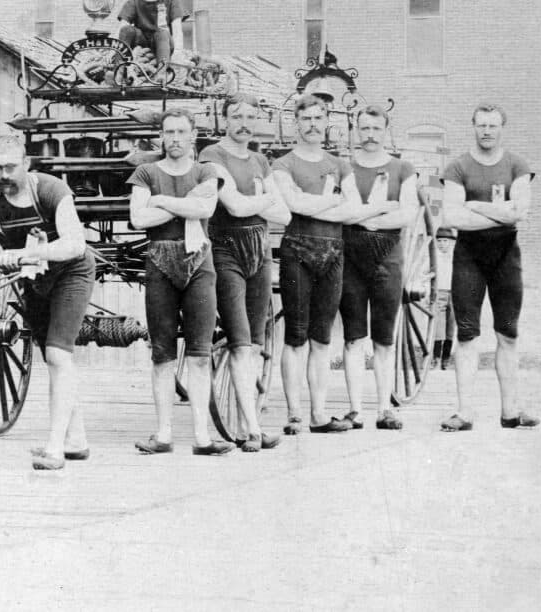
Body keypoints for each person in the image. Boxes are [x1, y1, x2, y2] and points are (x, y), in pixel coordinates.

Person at [0, 136, 95, 471]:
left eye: (11, 167)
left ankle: (55, 449)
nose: (3, 174)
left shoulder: (51, 191)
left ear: (26, 163)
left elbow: (75, 244)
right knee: (53, 357)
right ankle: (76, 439)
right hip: (33, 277)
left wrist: (29, 253)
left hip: (70, 272)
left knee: (57, 354)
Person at [127, 110, 232, 456]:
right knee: (162, 354)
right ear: (160, 136)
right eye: (168, 131)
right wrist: (185, 204)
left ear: (193, 136)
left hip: (199, 261)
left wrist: (162, 201)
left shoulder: (206, 170)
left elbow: (206, 210)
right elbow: (138, 218)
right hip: (159, 261)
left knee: (201, 353)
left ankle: (202, 436)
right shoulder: (146, 172)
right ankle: (164, 434)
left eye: (181, 131)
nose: (174, 138)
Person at [270, 95, 373, 436]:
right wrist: (333, 200)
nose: (312, 124)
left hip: (333, 253)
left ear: (326, 121)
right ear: (296, 123)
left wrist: (313, 205)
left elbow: (355, 208)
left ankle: (318, 414)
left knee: (322, 339)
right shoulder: (282, 164)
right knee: (296, 336)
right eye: (306, 119)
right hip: (297, 250)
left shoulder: (340, 165)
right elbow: (292, 203)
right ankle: (295, 414)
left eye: (318, 118)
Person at [437, 104, 537, 431]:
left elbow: (520, 212)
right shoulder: (458, 167)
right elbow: (451, 217)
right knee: (466, 335)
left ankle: (511, 411)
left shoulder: (516, 164)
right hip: (469, 258)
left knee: (507, 333)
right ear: (473, 127)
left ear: (502, 127)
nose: (487, 131)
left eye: (493, 125)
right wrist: (499, 210)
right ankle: (464, 413)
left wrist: (476, 205)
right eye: (481, 125)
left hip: (506, 257)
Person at [197, 97, 289, 451]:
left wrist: (263, 202)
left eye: (251, 117)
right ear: (224, 119)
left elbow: (286, 215)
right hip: (225, 249)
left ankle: (252, 423)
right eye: (237, 116)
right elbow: (233, 206)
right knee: (239, 337)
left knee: (253, 342)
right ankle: (252, 429)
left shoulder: (260, 159)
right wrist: (266, 197)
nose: (244, 123)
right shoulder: (212, 156)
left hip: (260, 250)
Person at [335, 106, 419, 430]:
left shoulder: (403, 169)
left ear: (385, 130)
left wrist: (364, 216)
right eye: (365, 128)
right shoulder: (345, 168)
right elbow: (342, 212)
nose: (370, 134)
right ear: (356, 130)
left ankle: (384, 408)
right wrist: (382, 210)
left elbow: (408, 214)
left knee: (384, 338)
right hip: (351, 259)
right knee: (354, 336)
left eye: (376, 128)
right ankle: (355, 410)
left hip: (388, 259)